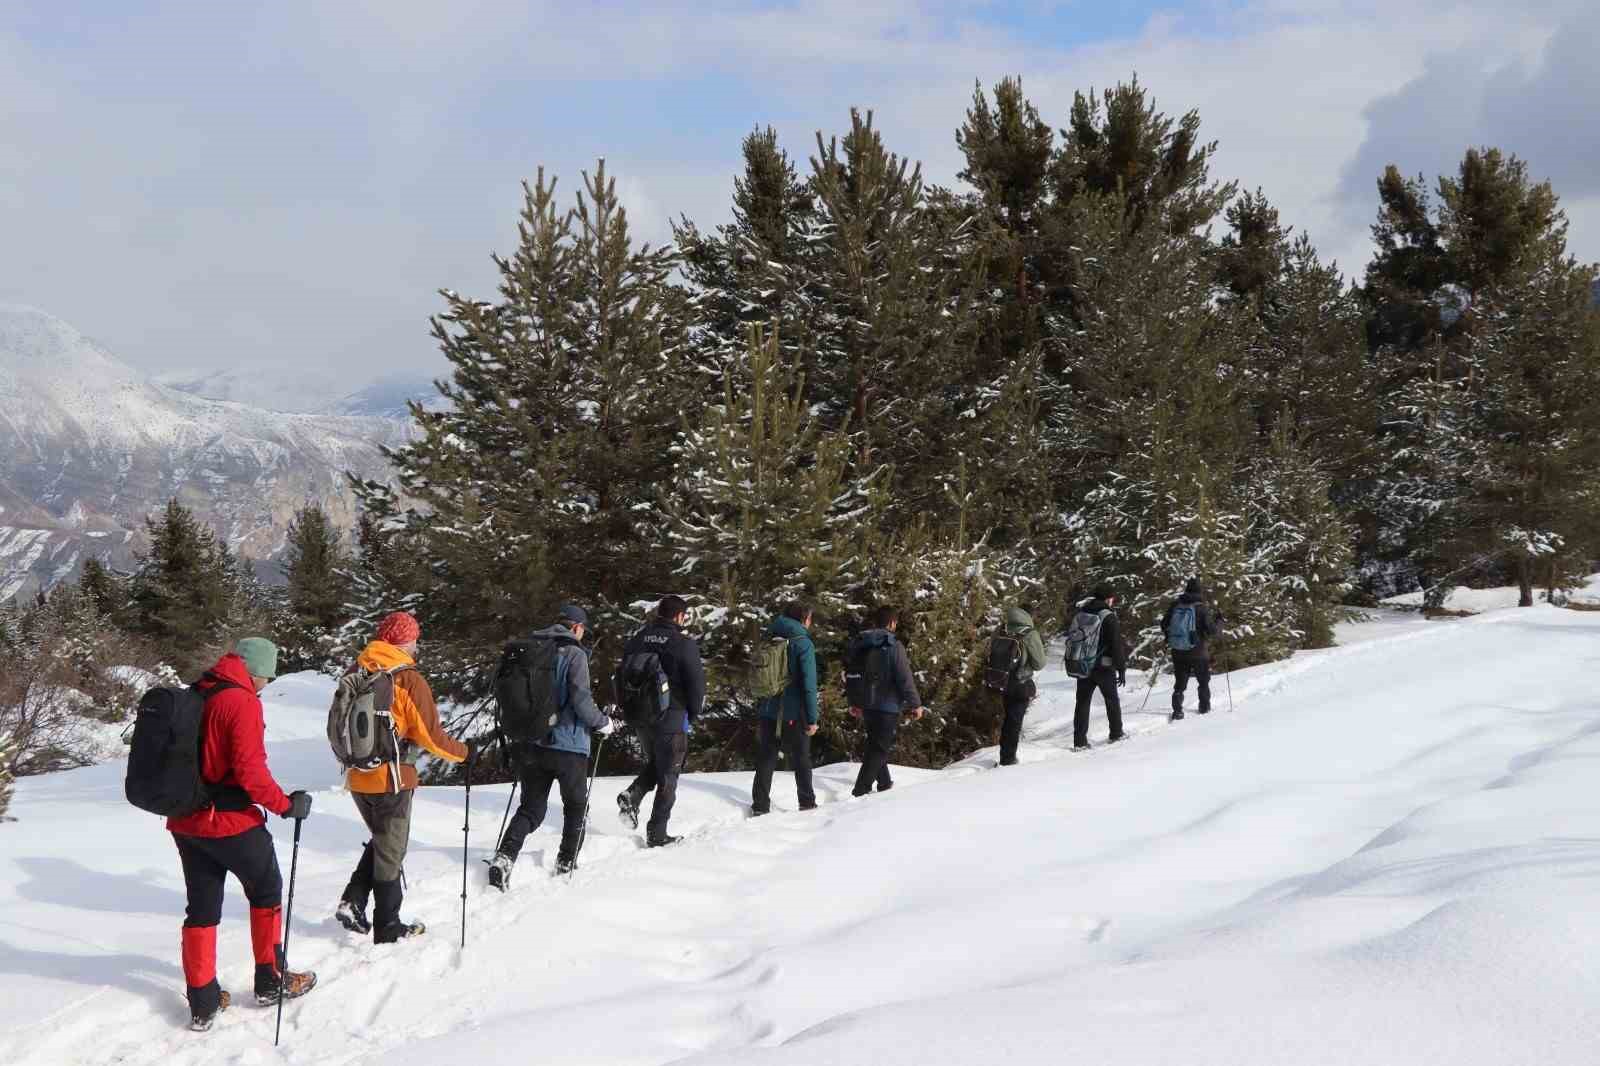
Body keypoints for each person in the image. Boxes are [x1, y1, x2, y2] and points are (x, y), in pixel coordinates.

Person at [166, 637, 316, 1032]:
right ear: (256, 671)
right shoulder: (241, 701)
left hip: (186, 822)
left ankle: (203, 1001)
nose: (267, 683)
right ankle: (270, 980)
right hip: (229, 822)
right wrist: (285, 805)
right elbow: (251, 772)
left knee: (201, 908)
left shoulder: (199, 690)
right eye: (267, 676)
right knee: (266, 890)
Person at [334, 611, 468, 942]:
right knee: (391, 851)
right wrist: (465, 753)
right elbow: (432, 737)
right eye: (414, 640)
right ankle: (388, 927)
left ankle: (353, 901)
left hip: (357, 776)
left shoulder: (356, 670)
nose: (416, 647)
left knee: (384, 841)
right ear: (404, 642)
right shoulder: (407, 679)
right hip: (391, 778)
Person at [488, 605, 617, 885]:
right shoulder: (574, 654)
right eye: (583, 629)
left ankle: (505, 857)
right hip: (569, 746)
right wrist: (603, 722)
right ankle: (565, 863)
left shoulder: (532, 649)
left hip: (532, 742)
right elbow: (581, 700)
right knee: (576, 807)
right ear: (576, 627)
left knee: (531, 809)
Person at [616, 595, 706, 847]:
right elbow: (696, 685)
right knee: (669, 774)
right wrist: (693, 713)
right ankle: (657, 833)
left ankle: (633, 796)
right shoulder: (683, 644)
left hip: (641, 716)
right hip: (672, 716)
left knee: (658, 763)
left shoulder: (638, 638)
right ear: (680, 616)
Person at [750, 600, 820, 815]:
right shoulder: (803, 643)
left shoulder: (769, 637)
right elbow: (809, 685)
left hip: (768, 708)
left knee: (766, 756)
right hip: (793, 712)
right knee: (801, 757)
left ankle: (760, 805)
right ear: (804, 619)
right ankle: (807, 802)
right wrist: (812, 718)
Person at [848, 606, 924, 797]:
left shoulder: (861, 643)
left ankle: (884, 783)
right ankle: (860, 790)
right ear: (892, 623)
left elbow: (851, 672)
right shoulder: (893, 645)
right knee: (878, 749)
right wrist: (915, 704)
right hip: (887, 705)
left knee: (876, 744)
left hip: (866, 703)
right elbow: (904, 677)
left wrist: (854, 701)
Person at [1072, 585, 1127, 750]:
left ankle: (1079, 741)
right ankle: (1116, 733)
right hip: (1104, 666)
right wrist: (1121, 668)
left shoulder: (1082, 613)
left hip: (1083, 664)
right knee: (1111, 700)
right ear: (1108, 599)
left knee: (1082, 702)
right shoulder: (1108, 616)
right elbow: (1116, 645)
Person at [997, 604, 1048, 766]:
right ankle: (1008, 758)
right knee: (1014, 721)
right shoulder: (1029, 633)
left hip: (1000, 679)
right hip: (1020, 683)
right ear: (1028, 616)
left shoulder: (1002, 629)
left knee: (1008, 718)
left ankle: (1005, 754)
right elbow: (1039, 663)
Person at [1162, 578, 1219, 720]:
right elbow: (1212, 631)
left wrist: (1170, 637)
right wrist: (1219, 622)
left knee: (1180, 683)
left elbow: (1164, 624)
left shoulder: (1175, 605)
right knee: (1203, 681)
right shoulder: (1201, 608)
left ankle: (1177, 711)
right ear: (1200, 591)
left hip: (1178, 650)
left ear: (1186, 589)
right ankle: (1204, 707)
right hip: (1198, 652)